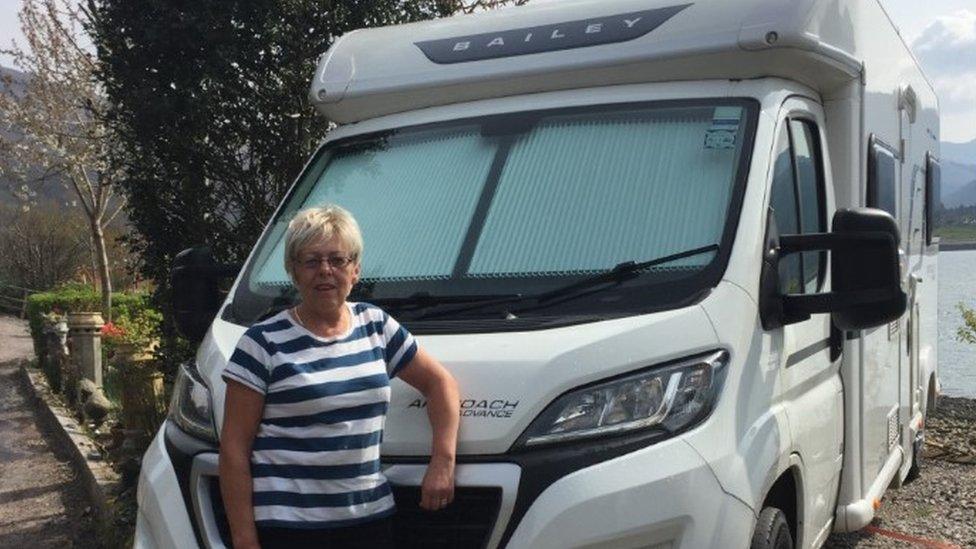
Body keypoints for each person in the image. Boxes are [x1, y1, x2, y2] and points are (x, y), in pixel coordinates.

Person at [219, 204, 460, 549]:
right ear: (293, 271)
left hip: (369, 521)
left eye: (337, 260)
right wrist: (244, 538)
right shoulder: (262, 343)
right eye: (311, 261)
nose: (325, 271)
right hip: (290, 529)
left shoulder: (376, 326)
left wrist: (443, 462)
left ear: (355, 270)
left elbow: (441, 384)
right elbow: (233, 448)